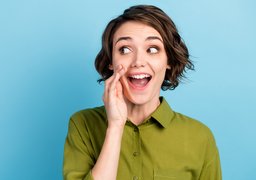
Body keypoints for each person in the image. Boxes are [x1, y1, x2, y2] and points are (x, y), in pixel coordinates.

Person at [63, 5, 221, 180]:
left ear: (168, 59)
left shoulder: (200, 137)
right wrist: (115, 128)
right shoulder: (82, 124)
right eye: (125, 49)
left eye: (152, 49)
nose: (138, 61)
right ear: (110, 61)